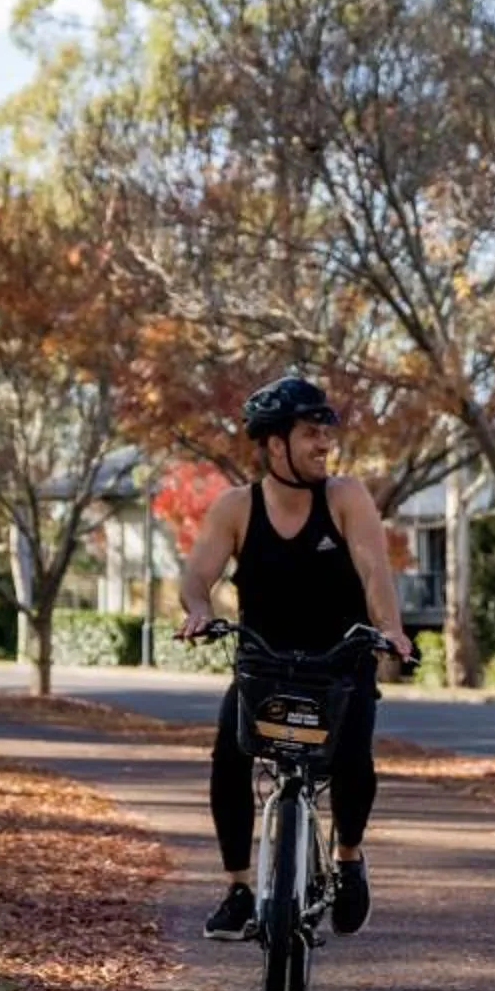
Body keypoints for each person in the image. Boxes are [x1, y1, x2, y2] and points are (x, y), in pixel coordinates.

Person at [179, 372, 414, 942]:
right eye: (310, 433)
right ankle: (239, 887)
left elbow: (374, 571)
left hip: (341, 663)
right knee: (228, 757)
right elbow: (197, 577)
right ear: (275, 444)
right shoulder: (236, 508)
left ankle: (350, 859)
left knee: (354, 756)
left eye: (324, 433)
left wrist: (391, 631)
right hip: (266, 663)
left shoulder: (345, 496)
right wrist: (196, 611)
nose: (322, 444)